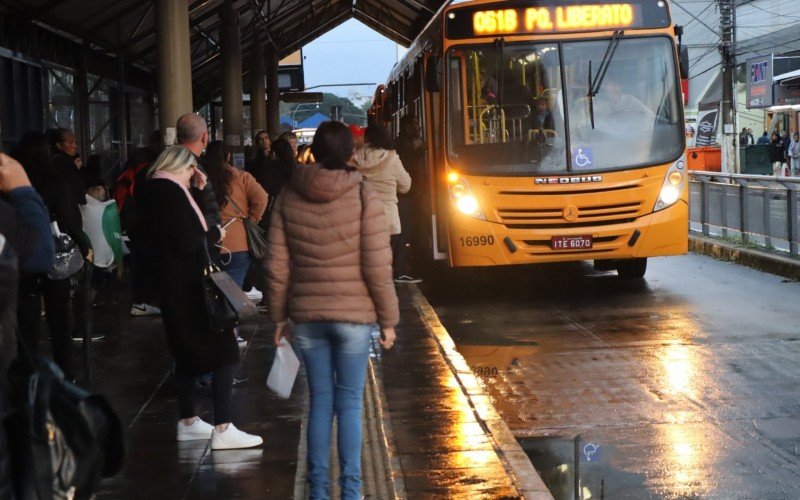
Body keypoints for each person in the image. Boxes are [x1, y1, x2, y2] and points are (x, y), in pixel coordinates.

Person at [266, 121, 398, 499]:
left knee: (320, 401)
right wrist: (388, 321)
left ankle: (318, 492)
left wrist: (279, 317)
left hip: (307, 317)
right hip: (354, 320)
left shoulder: (290, 194)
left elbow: (276, 265)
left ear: (314, 152)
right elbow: (378, 264)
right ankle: (352, 492)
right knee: (350, 402)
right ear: (349, 153)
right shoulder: (362, 195)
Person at [137, 145, 262, 450]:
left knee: (185, 354)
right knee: (225, 350)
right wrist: (213, 233)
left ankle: (188, 420)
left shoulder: (151, 190)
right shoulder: (172, 193)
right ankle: (223, 427)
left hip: (170, 286)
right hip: (190, 287)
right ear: (188, 167)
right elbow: (190, 238)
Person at [14, 132, 93, 381]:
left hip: (22, 258)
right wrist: (84, 246)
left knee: (26, 321)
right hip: (53, 255)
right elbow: (71, 220)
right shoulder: (57, 182)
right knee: (59, 318)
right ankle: (65, 372)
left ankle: (27, 375)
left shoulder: (13, 186)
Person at [203, 140, 267, 295]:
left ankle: (214, 316)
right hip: (237, 242)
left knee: (209, 290)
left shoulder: (200, 179)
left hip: (207, 242)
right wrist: (252, 218)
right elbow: (261, 197)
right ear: (229, 156)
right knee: (233, 293)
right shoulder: (241, 177)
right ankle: (229, 316)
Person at [353, 123, 413, 284]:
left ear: (366, 139)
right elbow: (406, 186)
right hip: (388, 220)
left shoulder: (355, 159)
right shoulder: (393, 159)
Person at [394, 115, 426, 281]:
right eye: (415, 124)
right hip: (406, 195)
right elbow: (409, 166)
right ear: (407, 126)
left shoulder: (401, 143)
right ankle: (401, 270)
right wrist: (421, 151)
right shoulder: (404, 144)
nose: (419, 127)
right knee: (404, 233)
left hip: (408, 194)